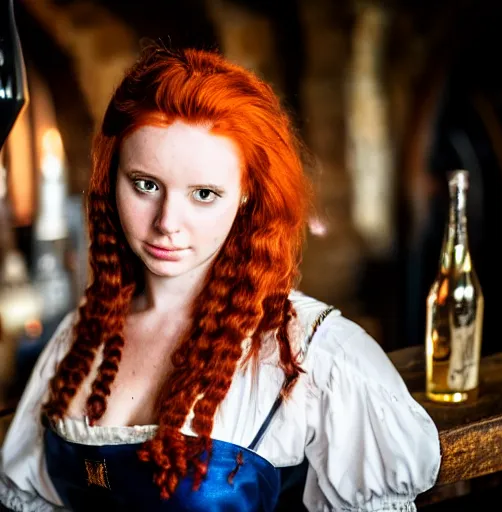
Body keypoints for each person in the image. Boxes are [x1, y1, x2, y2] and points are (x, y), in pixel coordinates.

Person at [0, 44, 441, 511]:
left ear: (247, 195)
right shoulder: (78, 339)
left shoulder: (310, 354)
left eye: (204, 194)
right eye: (146, 184)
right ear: (112, 178)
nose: (167, 222)